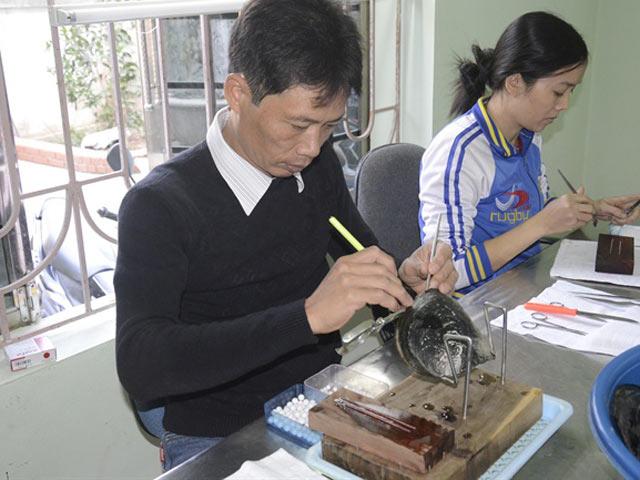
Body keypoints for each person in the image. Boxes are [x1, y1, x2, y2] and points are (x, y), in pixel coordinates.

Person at [115, 0, 457, 471]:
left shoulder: (316, 170)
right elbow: (142, 363)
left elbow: (364, 256)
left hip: (321, 401)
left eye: (328, 126)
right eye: (298, 125)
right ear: (238, 92)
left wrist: (404, 276)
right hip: (220, 428)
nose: (312, 147)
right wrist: (307, 316)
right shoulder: (161, 206)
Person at [418, 11, 640, 294]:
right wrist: (541, 225)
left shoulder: (529, 136)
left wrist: (588, 208)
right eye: (559, 92)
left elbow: (525, 213)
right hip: (475, 303)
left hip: (523, 285)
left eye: (572, 92)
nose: (565, 105)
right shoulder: (459, 153)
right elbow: (449, 273)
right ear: (514, 83)